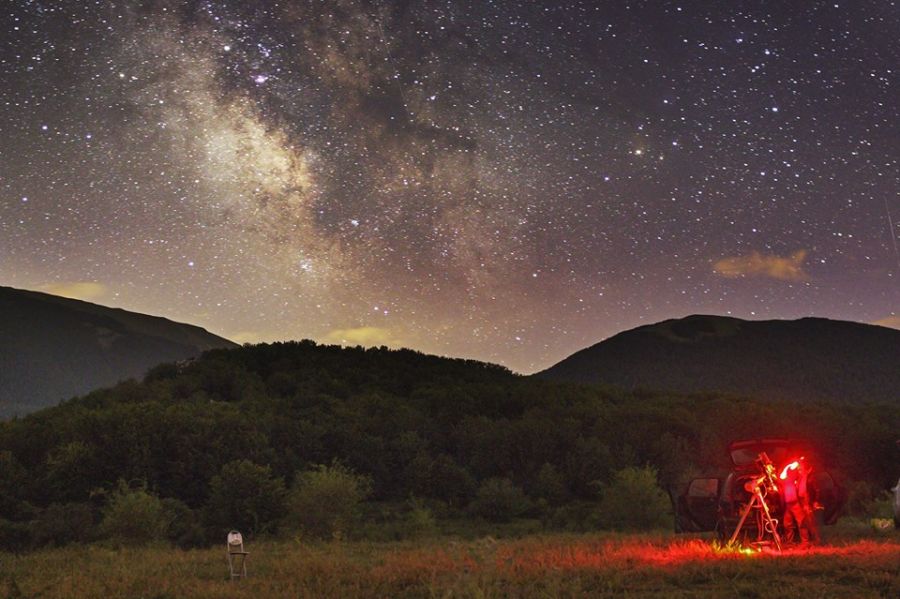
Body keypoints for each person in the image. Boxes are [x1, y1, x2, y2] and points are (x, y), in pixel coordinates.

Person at [779, 457, 818, 547]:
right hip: (788, 505)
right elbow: (780, 478)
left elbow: (804, 488)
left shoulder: (796, 479)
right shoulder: (784, 481)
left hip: (796, 504)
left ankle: (805, 542)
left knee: (801, 523)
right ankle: (789, 542)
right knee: (787, 524)